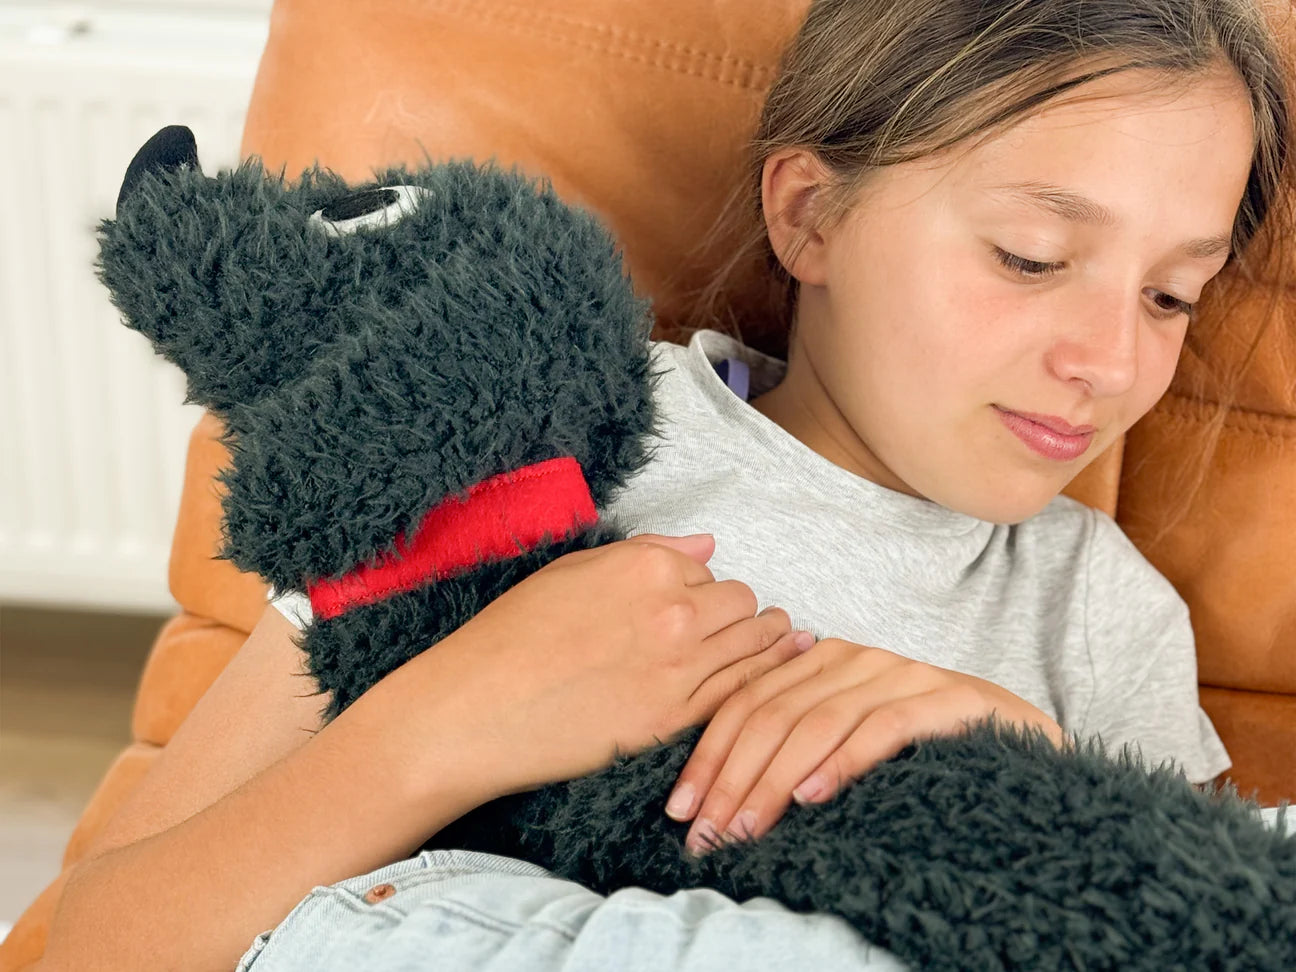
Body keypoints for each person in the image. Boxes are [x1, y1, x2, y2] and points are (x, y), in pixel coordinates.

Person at [37, 0, 1292, 969]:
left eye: (1170, 294)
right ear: (811, 217)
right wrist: (453, 721)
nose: (1110, 361)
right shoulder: (531, 435)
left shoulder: (1103, 617)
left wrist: (1036, 769)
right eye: (1032, 257)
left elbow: (1203, 924)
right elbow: (91, 945)